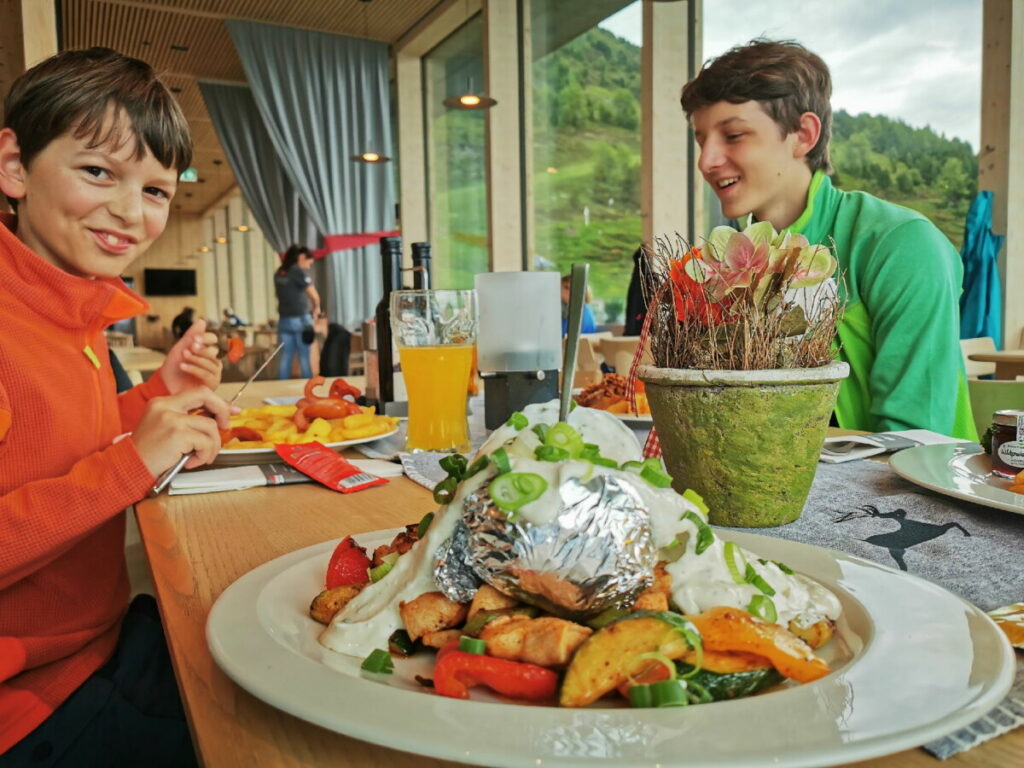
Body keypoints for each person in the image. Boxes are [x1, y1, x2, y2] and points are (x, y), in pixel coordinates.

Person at [0, 47, 236, 766]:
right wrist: (134, 464)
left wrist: (156, 397)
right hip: (32, 706)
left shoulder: (67, 314)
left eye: (157, 191)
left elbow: (58, 444)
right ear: (13, 165)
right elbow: (98, 471)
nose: (130, 214)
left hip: (95, 641)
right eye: (97, 172)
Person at [680, 39, 976, 440]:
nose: (706, 160)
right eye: (702, 140)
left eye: (733, 136)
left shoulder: (899, 244)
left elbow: (915, 438)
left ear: (803, 134)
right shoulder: (729, 264)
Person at [274, 244, 322, 379]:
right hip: (300, 320)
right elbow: (313, 295)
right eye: (309, 263)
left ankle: (280, 389)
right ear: (301, 257)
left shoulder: (279, 273)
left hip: (284, 320)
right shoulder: (298, 272)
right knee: (304, 357)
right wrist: (316, 309)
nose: (309, 266)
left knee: (285, 357)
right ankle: (308, 390)